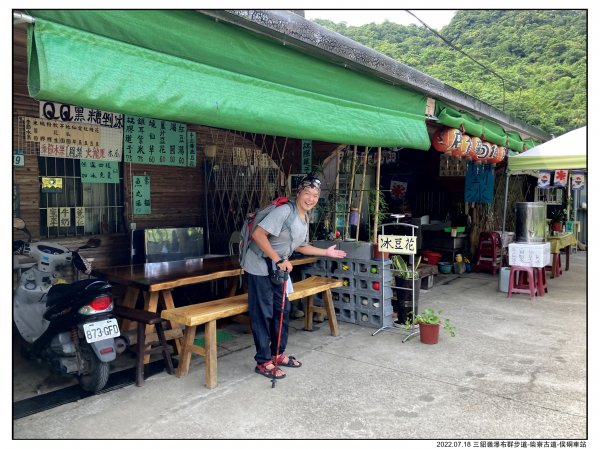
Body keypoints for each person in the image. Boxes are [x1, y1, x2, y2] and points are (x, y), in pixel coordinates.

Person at [241, 175, 347, 379]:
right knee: (263, 314)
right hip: (260, 266)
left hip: (278, 268)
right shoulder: (284, 212)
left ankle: (277, 354)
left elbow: (298, 245)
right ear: (298, 193)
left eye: (315, 195)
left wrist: (326, 252)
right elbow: (259, 235)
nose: (310, 199)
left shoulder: (304, 216)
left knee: (282, 310)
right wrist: (279, 260)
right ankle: (263, 361)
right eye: (307, 193)